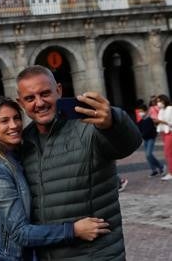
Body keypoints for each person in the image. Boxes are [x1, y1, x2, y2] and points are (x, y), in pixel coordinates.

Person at [16, 65, 141, 260]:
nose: (39, 103)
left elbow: (128, 144)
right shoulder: (23, 143)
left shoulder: (88, 127)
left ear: (59, 90)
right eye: (30, 98)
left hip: (96, 255)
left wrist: (112, 121)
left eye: (45, 93)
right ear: (21, 102)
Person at [0, 96, 110, 260]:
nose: (14, 125)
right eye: (4, 121)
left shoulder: (16, 157)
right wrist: (74, 230)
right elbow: (20, 233)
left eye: (16, 118)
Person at [136, 104, 164, 177]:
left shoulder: (149, 119)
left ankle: (161, 167)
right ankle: (154, 170)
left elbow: (151, 130)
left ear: (145, 111)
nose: (140, 113)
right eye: (139, 112)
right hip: (145, 139)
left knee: (149, 154)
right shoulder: (141, 121)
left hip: (151, 138)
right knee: (147, 155)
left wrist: (143, 135)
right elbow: (138, 129)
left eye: (141, 111)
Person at [156, 94, 172, 180]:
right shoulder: (161, 110)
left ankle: (171, 172)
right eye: (157, 101)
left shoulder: (170, 109)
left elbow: (170, 122)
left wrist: (161, 121)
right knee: (169, 153)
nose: (158, 103)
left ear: (164, 100)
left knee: (167, 153)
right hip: (164, 133)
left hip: (170, 132)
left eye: (160, 101)